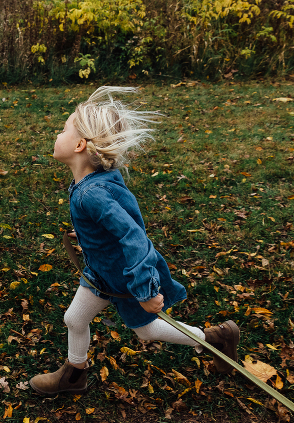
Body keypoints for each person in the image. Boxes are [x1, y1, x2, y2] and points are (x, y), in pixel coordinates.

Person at [29, 86, 240, 396]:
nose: (56, 134)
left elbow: (134, 237)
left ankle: (212, 340)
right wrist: (90, 235)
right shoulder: (91, 184)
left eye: (63, 129)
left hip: (125, 278)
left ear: (79, 145)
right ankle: (75, 375)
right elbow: (115, 223)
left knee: (146, 330)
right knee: (74, 318)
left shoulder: (92, 194)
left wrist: (144, 290)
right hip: (102, 272)